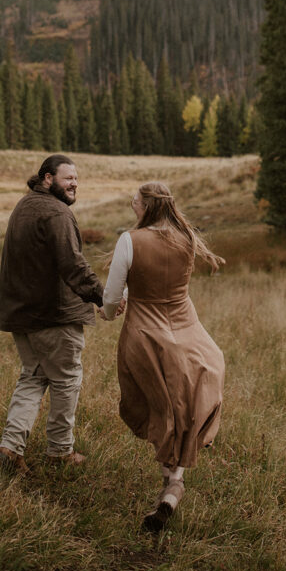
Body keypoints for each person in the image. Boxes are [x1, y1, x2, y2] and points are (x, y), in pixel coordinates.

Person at [100, 181, 225, 531]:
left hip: (145, 332)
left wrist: (109, 312)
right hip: (187, 329)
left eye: (134, 202)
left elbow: (111, 295)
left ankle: (171, 484)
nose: (132, 207)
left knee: (160, 407)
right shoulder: (186, 237)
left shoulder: (130, 240)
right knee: (184, 406)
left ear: (147, 206)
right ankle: (174, 484)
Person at [0, 154, 104, 473]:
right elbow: (74, 265)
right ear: (47, 178)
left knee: (33, 376)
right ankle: (60, 451)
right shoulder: (57, 213)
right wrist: (102, 296)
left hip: (22, 314)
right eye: (68, 178)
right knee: (67, 379)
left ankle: (10, 449)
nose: (74, 184)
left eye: (76, 179)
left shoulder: (24, 206)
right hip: (53, 316)